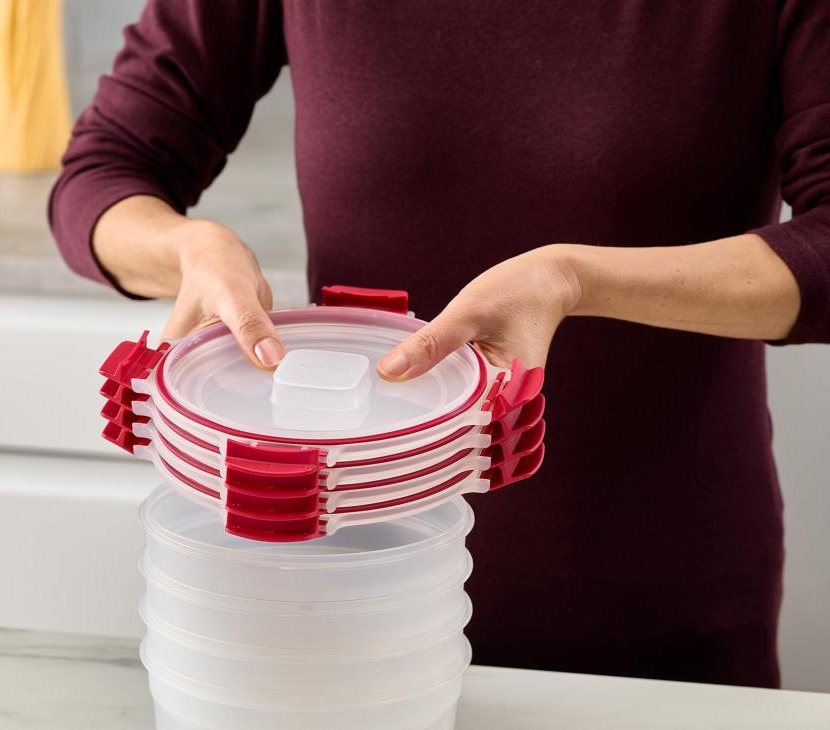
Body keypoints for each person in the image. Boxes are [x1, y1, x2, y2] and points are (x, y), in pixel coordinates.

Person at [50, 1, 830, 689]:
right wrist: (189, 249)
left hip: (657, 602)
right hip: (346, 599)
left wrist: (574, 280)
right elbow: (104, 171)